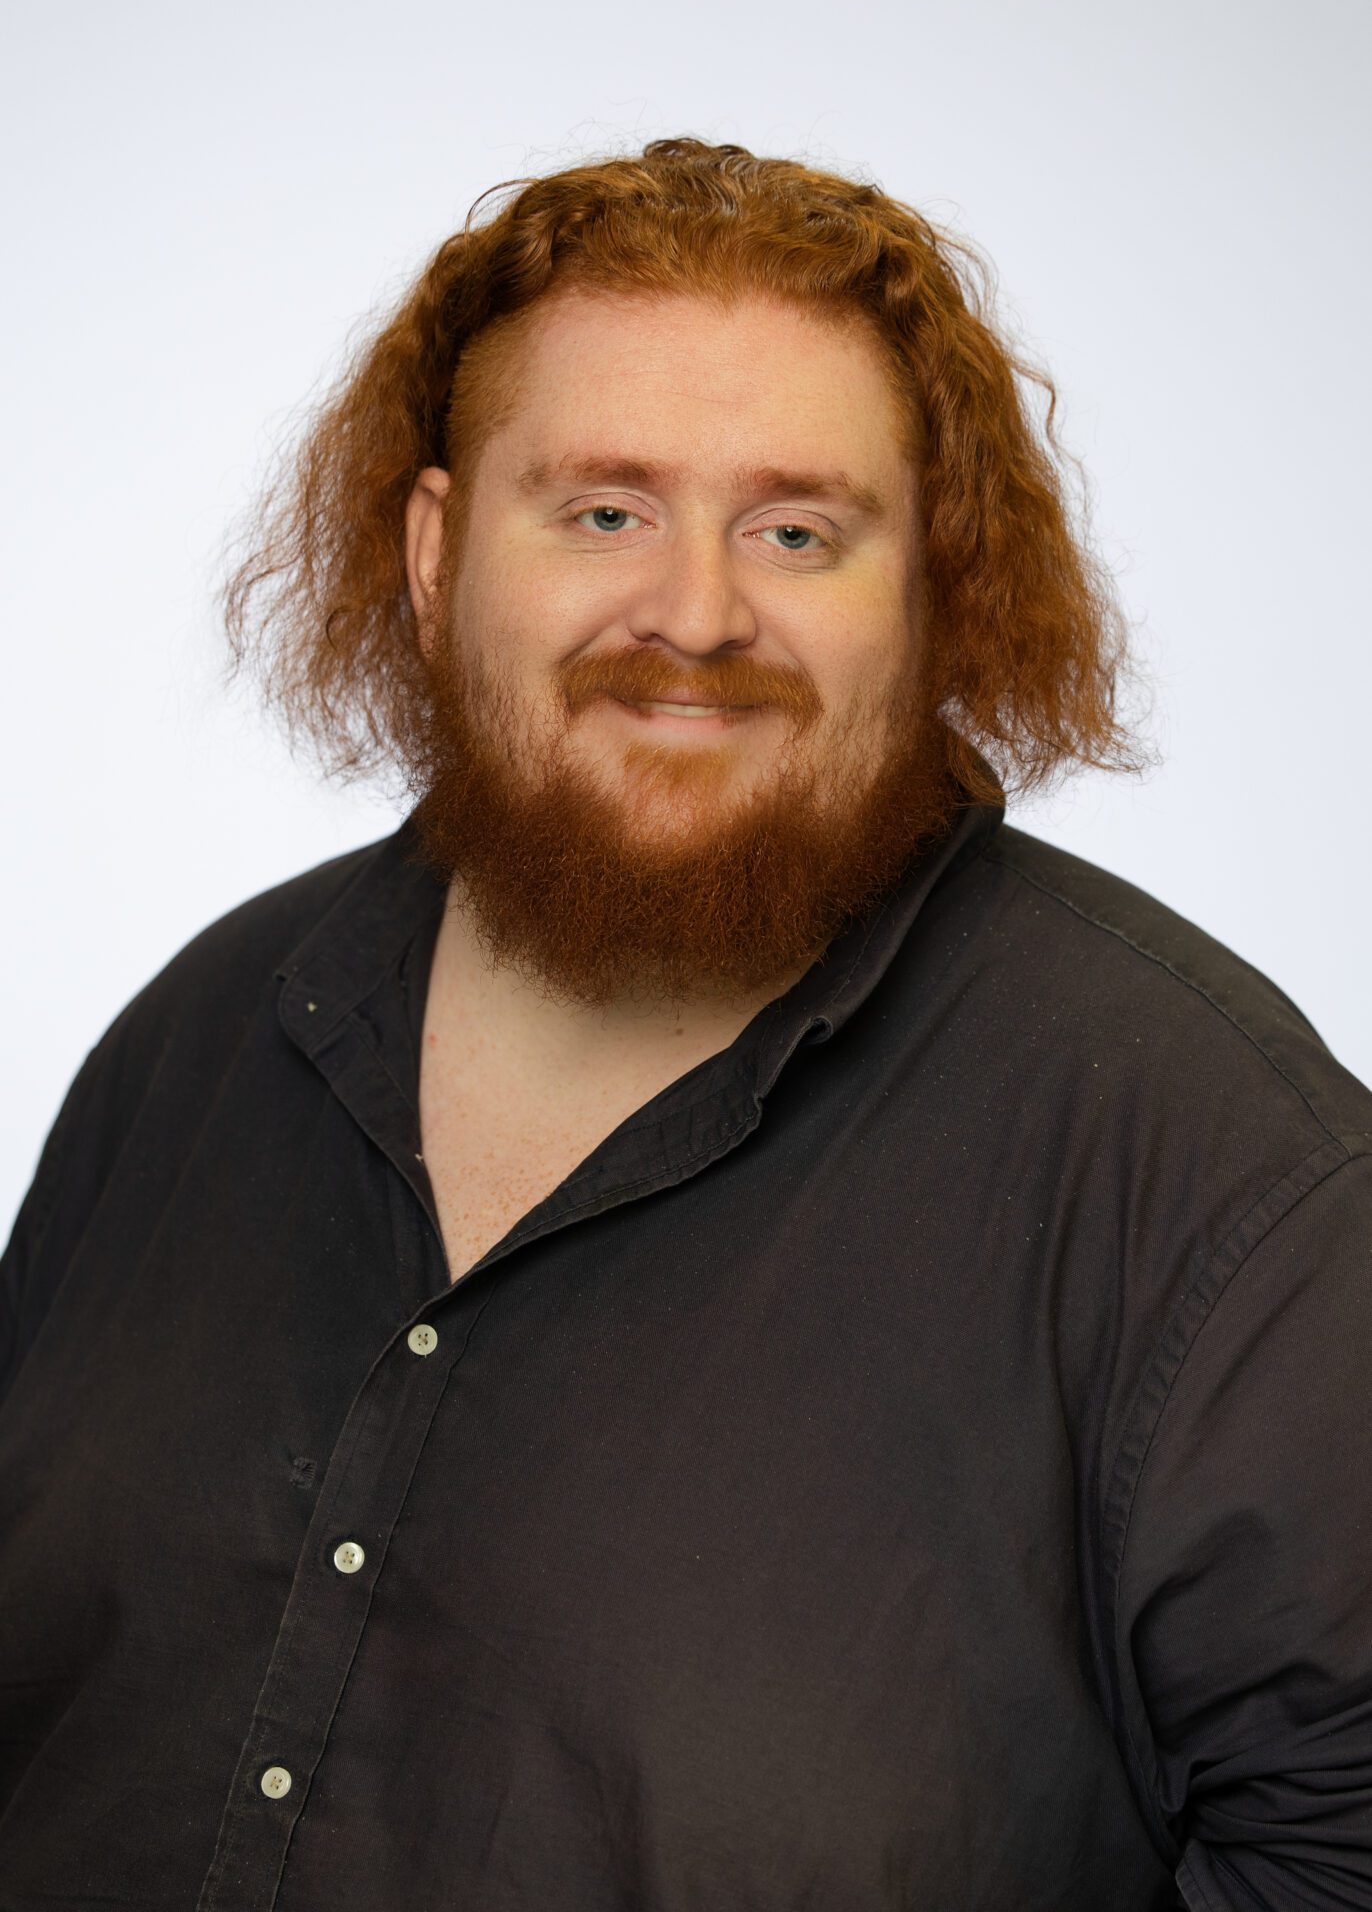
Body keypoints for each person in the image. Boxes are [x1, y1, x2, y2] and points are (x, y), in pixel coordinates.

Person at [1, 136, 1369, 1912]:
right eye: (603, 512)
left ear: (935, 590)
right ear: (434, 555)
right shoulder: (203, 1034)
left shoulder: (1222, 1176)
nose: (697, 618)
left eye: (798, 532)